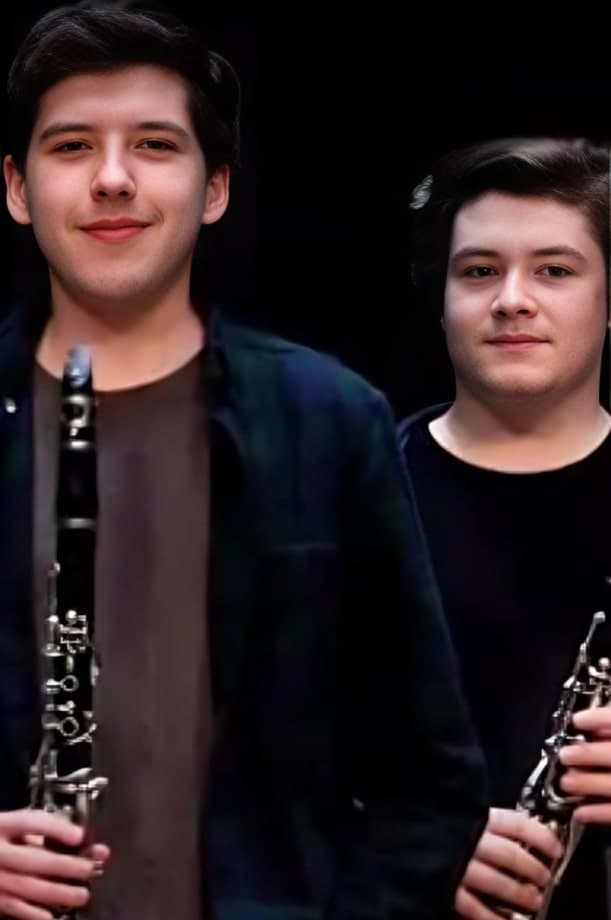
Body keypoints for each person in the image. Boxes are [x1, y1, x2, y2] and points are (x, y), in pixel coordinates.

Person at [0, 3, 488, 918]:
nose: (112, 178)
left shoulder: (330, 420)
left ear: (216, 187)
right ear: (17, 189)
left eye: (155, 145)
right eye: (71, 147)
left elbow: (429, 783)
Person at [398, 135, 611, 920]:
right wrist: (407, 846)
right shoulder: (345, 500)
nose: (511, 300)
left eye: (553, 270)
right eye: (479, 271)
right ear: (441, 299)